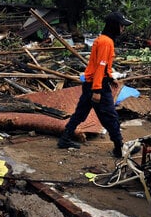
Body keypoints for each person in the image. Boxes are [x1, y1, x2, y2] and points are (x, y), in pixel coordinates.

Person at [57, 11, 133, 158]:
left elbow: (103, 66)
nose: (123, 29)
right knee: (110, 116)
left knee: (80, 113)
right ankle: (119, 147)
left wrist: (110, 77)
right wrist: (97, 90)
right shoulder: (106, 42)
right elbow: (100, 66)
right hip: (97, 85)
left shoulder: (103, 39)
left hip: (90, 83)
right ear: (114, 26)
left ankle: (64, 139)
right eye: (121, 26)